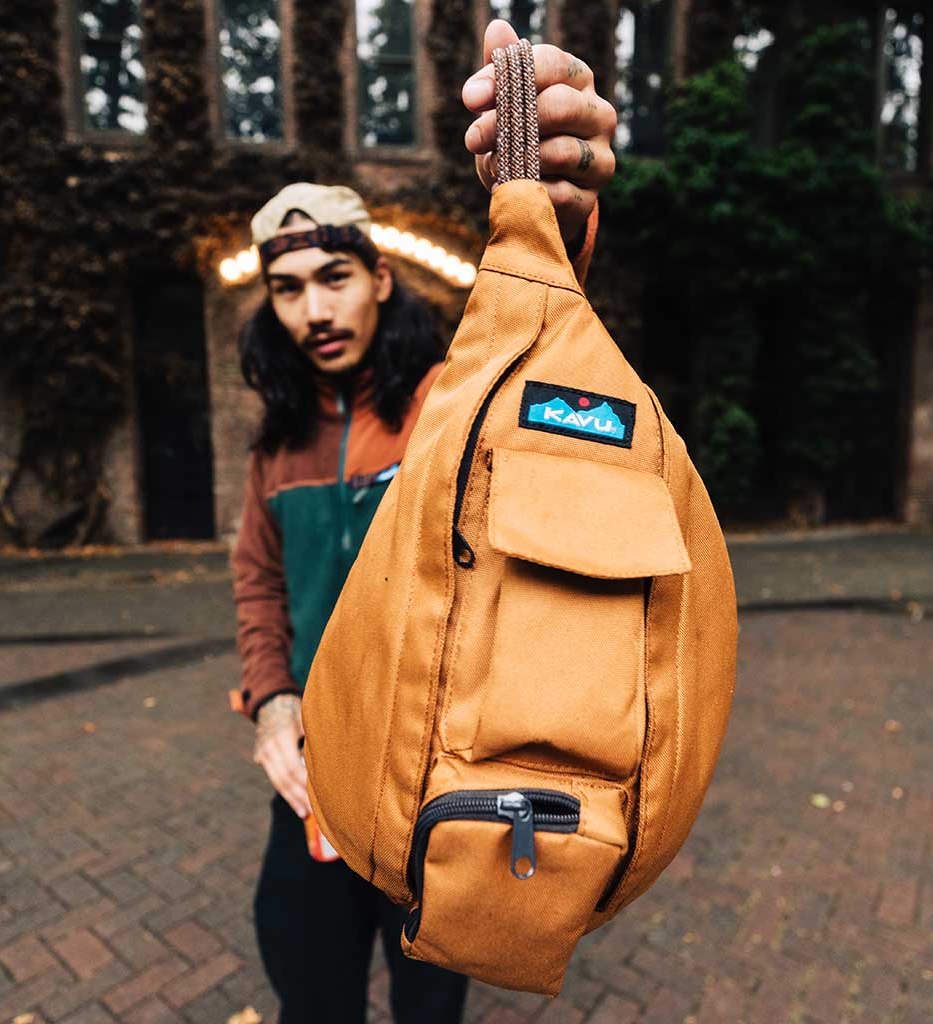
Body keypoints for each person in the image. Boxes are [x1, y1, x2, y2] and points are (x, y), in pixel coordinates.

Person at [230, 20, 618, 1023]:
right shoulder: (275, 446)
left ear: (378, 279)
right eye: (287, 290)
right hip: (313, 778)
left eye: (333, 278)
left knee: (429, 1004)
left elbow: (537, 350)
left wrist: (555, 211)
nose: (313, 311)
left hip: (439, 777)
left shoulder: (454, 401)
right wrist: (270, 700)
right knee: (311, 991)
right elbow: (258, 584)